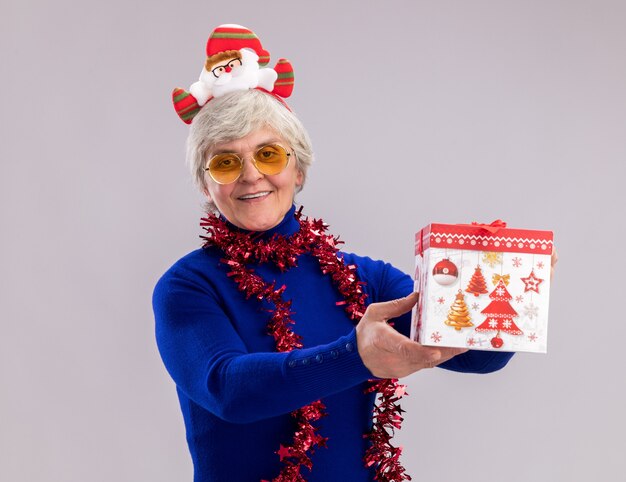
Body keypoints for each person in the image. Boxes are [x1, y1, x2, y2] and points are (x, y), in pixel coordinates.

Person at [153, 24, 530, 482]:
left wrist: (507, 282)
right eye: (226, 162)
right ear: (205, 184)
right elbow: (229, 390)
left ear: (299, 168)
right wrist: (356, 357)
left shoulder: (365, 280)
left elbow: (477, 357)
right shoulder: (187, 286)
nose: (251, 176)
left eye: (269, 155)